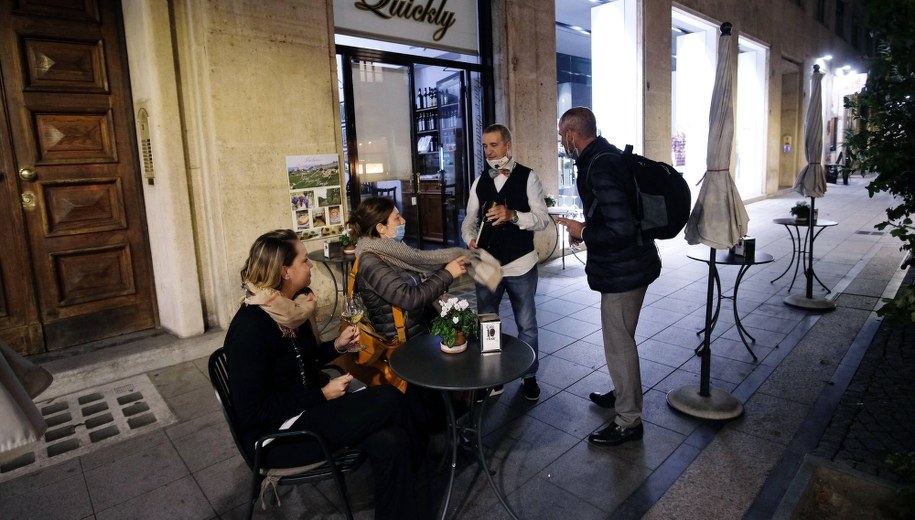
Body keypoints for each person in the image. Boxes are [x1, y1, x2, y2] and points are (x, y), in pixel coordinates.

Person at [224, 229, 418, 519]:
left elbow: (303, 359)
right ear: (285, 271)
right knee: (391, 398)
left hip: (309, 409)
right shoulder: (250, 328)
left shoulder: (292, 309)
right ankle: (428, 456)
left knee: (392, 441)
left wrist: (336, 346)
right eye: (304, 260)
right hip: (279, 436)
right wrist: (322, 394)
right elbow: (252, 413)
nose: (311, 265)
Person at [555, 107, 661, 446]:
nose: (561, 142)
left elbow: (620, 228)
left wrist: (583, 232)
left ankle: (629, 420)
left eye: (561, 136)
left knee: (619, 345)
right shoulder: (606, 156)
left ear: (572, 135)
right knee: (622, 338)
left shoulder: (600, 166)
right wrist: (586, 229)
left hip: (624, 270)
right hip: (632, 265)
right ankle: (621, 393)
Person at [346, 197, 470, 432]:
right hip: (402, 345)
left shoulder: (392, 252)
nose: (403, 221)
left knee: (433, 397)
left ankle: (442, 432)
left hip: (417, 334)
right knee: (420, 404)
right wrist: (446, 274)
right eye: (397, 218)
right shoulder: (371, 261)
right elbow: (408, 297)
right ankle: (431, 448)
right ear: (381, 229)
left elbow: (416, 279)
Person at [461, 124, 551, 400]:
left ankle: (529, 376)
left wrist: (513, 214)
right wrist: (469, 238)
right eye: (485, 146)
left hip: (520, 262)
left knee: (526, 323)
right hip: (486, 262)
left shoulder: (528, 177)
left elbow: (542, 219)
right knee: (487, 321)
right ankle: (493, 378)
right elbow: (469, 218)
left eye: (494, 145)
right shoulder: (480, 180)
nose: (489, 151)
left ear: (508, 146)